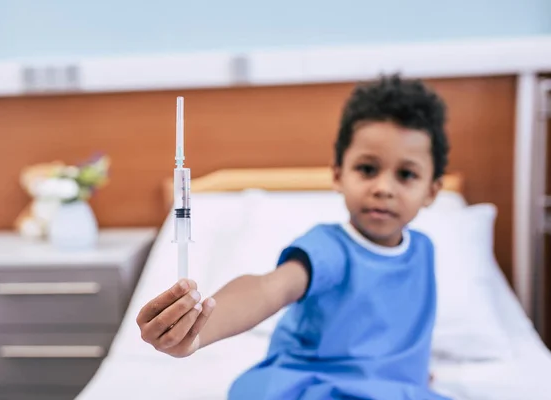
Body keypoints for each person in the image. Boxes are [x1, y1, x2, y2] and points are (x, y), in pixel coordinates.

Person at [136, 74, 452, 400]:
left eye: (406, 175)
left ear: (431, 190)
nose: (383, 188)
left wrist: (409, 372)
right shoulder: (329, 248)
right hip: (315, 385)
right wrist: (199, 330)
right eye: (368, 169)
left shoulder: (424, 251)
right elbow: (267, 288)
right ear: (338, 174)